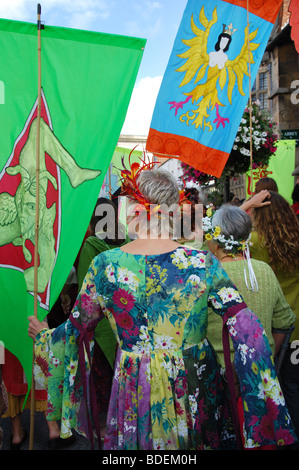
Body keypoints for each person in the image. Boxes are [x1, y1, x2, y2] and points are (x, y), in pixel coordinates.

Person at [28, 163, 297, 450]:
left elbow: (75, 331)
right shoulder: (200, 263)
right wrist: (265, 401)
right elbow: (247, 329)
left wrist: (44, 334)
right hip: (194, 383)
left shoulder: (105, 267)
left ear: (133, 210)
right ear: (173, 211)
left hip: (135, 385)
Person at [205, 204, 295, 367]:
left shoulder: (205, 274)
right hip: (260, 371)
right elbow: (284, 321)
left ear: (215, 239)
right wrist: (266, 355)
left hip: (218, 373)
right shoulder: (264, 270)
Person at [247, 190, 299, 447]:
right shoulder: (297, 238)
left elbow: (217, 237)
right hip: (296, 327)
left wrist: (245, 205)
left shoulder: (254, 242)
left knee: (276, 390)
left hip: (269, 330)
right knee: (293, 386)